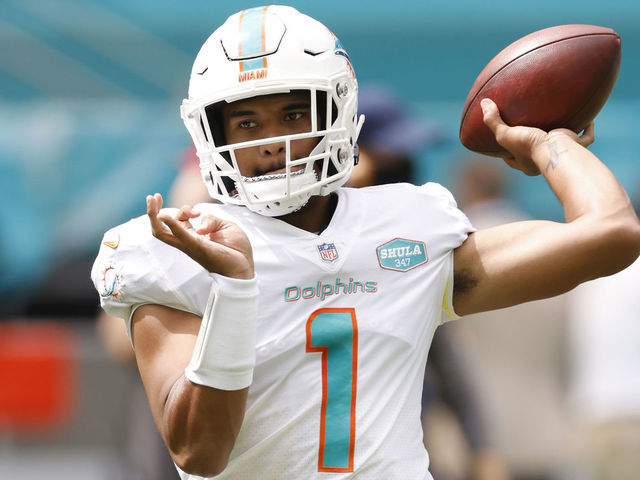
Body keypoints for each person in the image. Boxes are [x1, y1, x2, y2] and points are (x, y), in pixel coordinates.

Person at [90, 6, 640, 480]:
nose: (271, 142)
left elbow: (610, 234)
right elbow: (198, 451)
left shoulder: (408, 226)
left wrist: (550, 144)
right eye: (247, 122)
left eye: (291, 114)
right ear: (213, 133)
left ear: (335, 112)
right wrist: (234, 291)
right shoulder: (176, 247)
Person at [352, 86, 509, 480]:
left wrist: (483, 449)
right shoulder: (300, 246)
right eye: (391, 154)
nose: (405, 166)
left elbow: (448, 363)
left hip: (404, 454)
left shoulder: (407, 249)